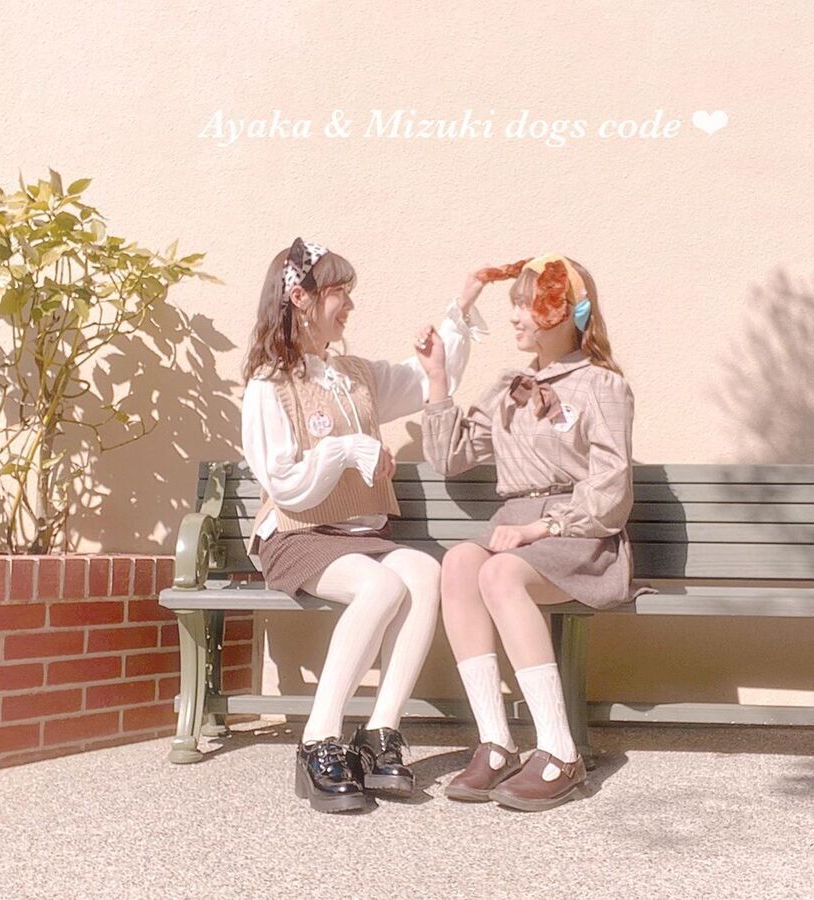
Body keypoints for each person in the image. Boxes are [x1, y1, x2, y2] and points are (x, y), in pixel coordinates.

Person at [240, 238, 487, 812]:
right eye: (339, 293)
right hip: (297, 534)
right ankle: (318, 740)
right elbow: (284, 484)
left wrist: (461, 310)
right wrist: (347, 449)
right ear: (300, 298)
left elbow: (423, 378)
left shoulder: (353, 375)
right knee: (380, 587)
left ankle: (379, 734)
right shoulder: (268, 386)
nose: (349, 305)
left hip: (357, 536)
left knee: (422, 573)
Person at [416, 252, 640, 811]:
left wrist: (544, 526)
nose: (514, 316)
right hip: (516, 532)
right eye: (514, 304)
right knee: (460, 564)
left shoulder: (602, 386)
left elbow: (611, 488)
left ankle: (560, 751)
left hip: (581, 536)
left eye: (526, 305)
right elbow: (450, 457)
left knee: (498, 575)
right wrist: (438, 380)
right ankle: (496, 743)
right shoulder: (509, 387)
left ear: (564, 313)